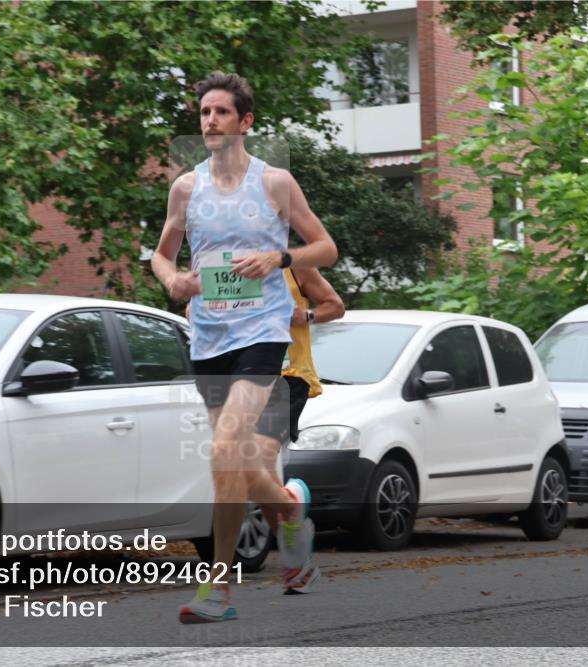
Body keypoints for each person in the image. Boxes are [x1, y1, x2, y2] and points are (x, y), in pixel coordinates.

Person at [151, 71, 338, 623]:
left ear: (245, 121)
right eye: (204, 112)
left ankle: (218, 589)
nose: (210, 121)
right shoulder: (186, 188)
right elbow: (162, 255)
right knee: (232, 460)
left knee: (222, 450)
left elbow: (324, 247)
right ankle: (288, 509)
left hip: (262, 332)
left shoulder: (275, 183)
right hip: (209, 335)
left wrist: (279, 260)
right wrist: (171, 280)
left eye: (221, 112)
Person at [259, 266, 345, 592]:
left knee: (262, 459)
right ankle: (296, 553)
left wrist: (305, 316)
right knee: (255, 478)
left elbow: (335, 306)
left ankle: (295, 559)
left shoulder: (294, 266)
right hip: (245, 377)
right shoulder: (226, 267)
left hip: (289, 376)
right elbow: (193, 308)